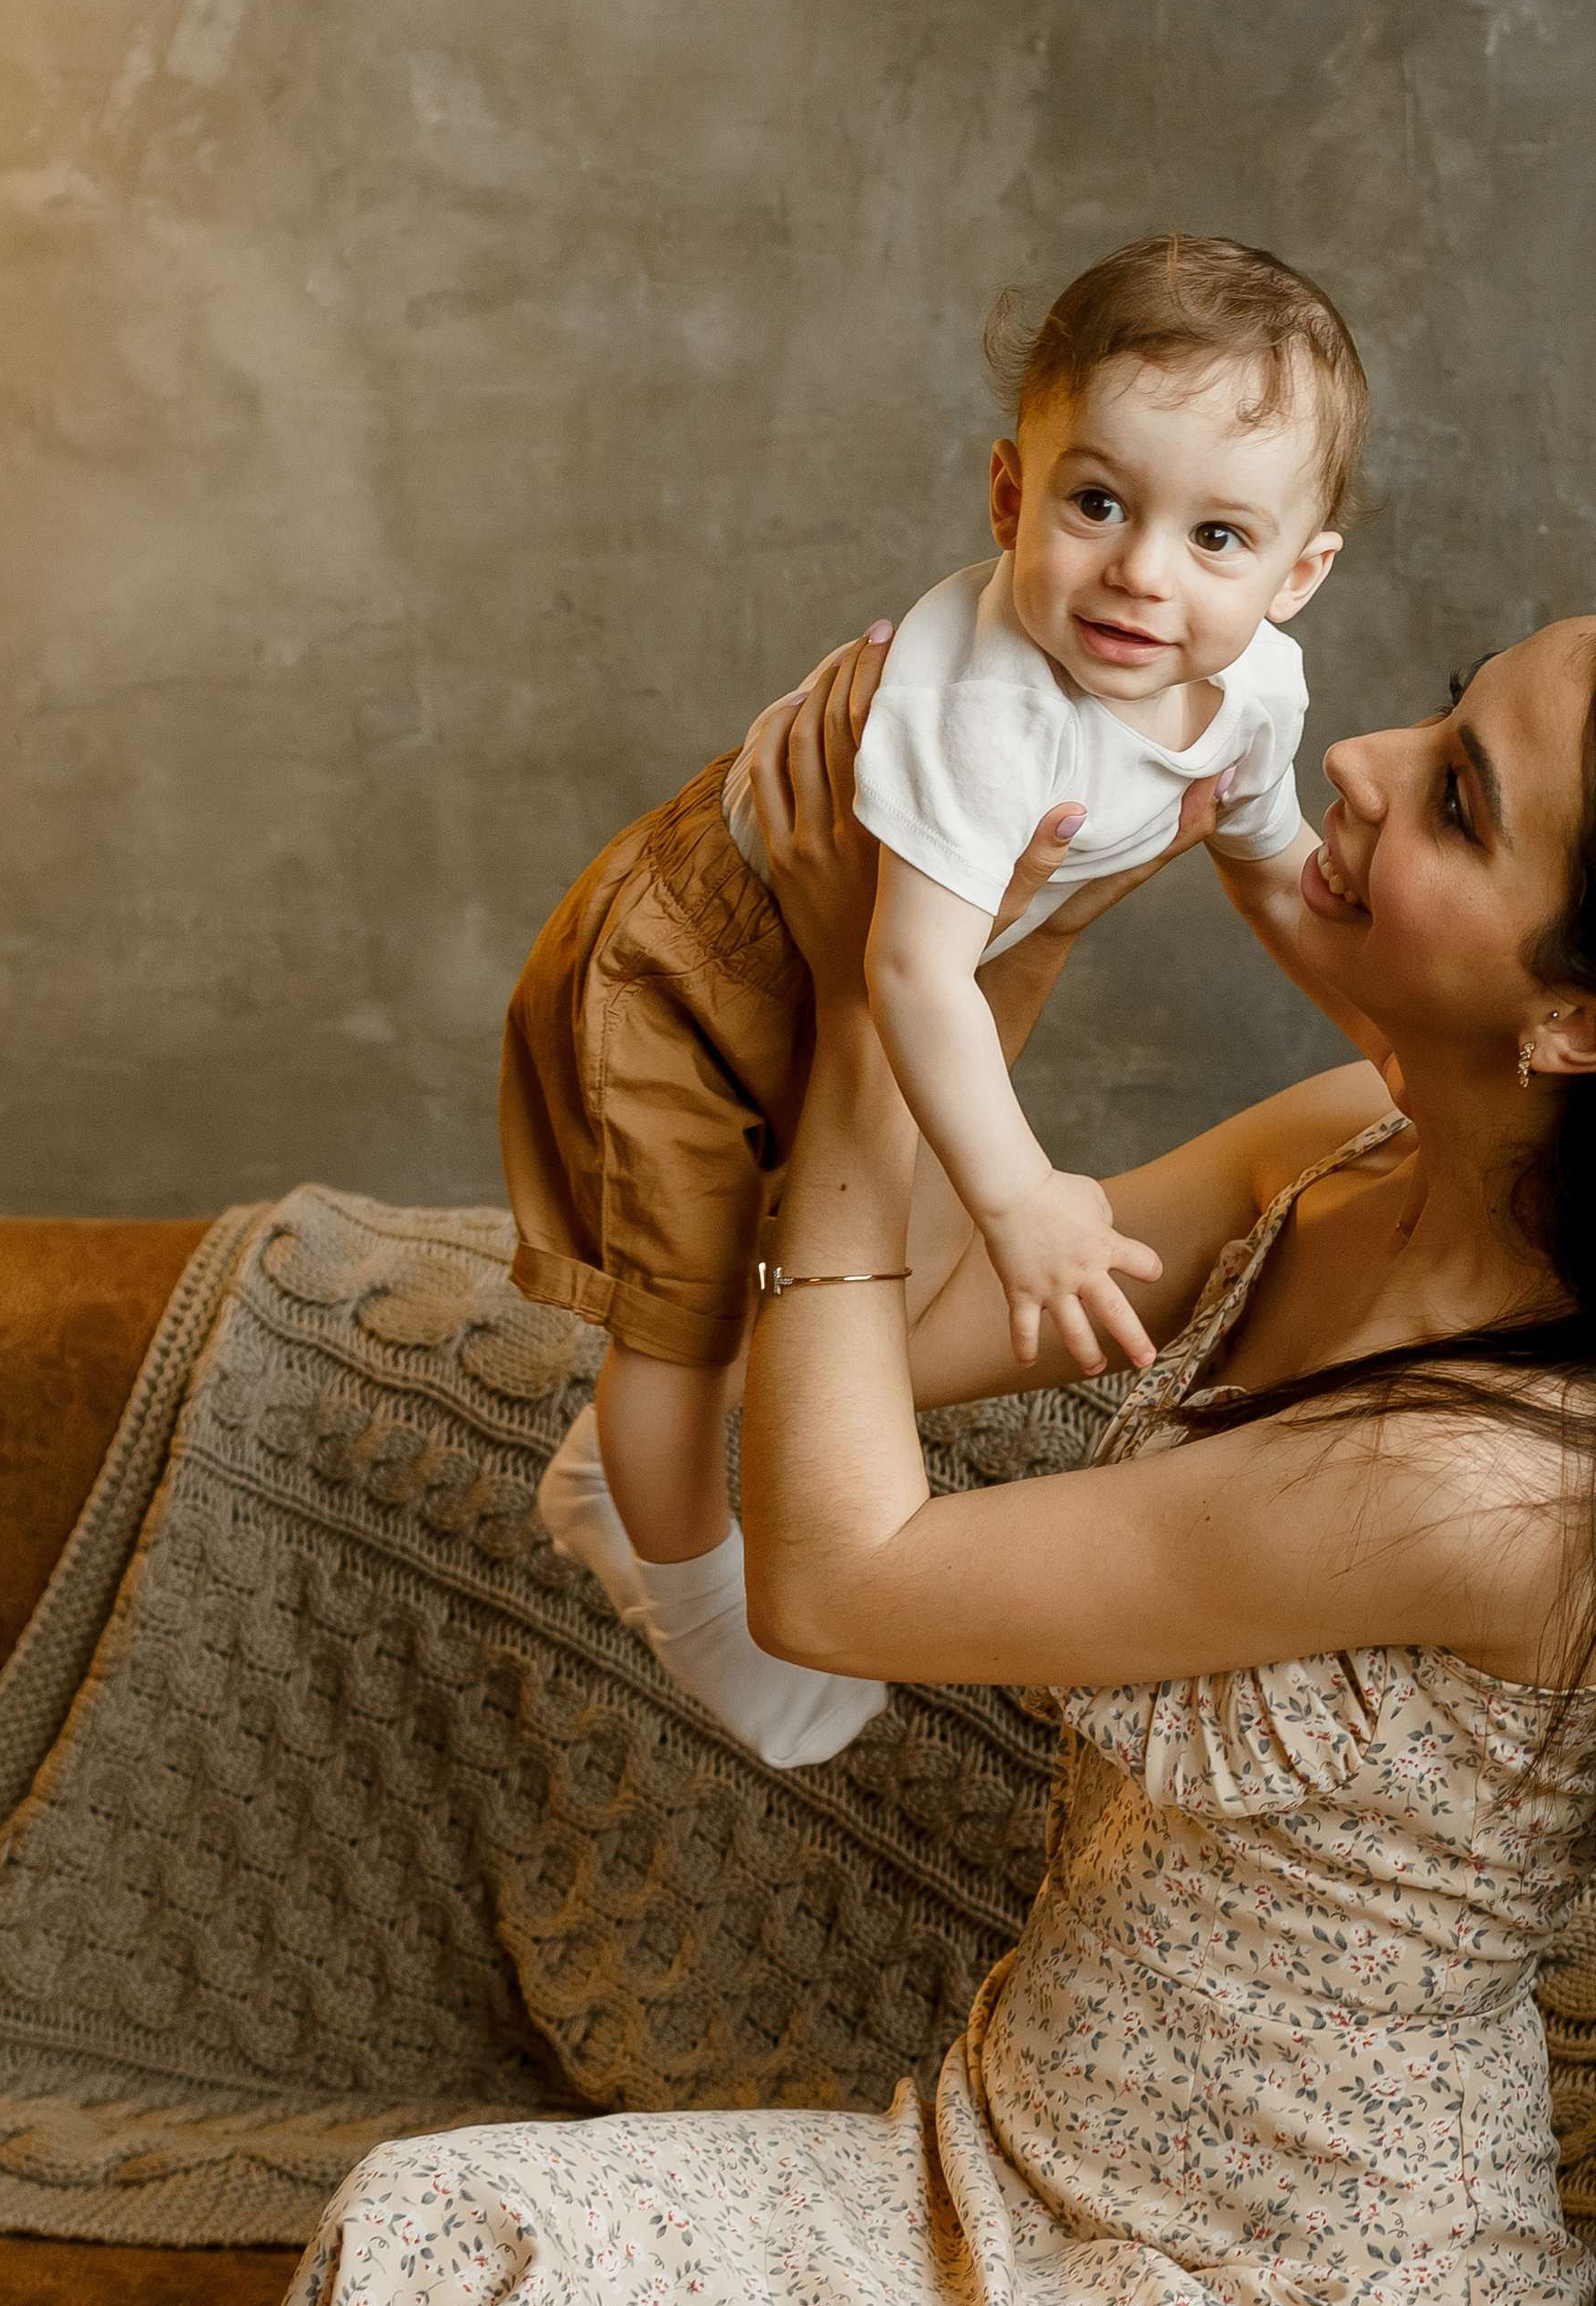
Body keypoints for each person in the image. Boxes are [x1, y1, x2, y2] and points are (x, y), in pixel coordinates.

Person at [59, 588, 1596, 2306]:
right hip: (1006, 2180)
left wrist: (900, 975)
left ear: (1588, 1027)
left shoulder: (1499, 1483)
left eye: (1456, 793)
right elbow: (858, 1352)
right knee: (426, 2237)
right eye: (1440, 704)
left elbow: (844, 1573)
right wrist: (971, 951)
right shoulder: (1342, 1146)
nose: (1350, 757)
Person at [502, 233, 1367, 1769]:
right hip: (688, 978)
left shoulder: (1254, 693)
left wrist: (1384, 1029)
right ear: (1009, 499)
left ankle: (620, 1471)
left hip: (887, 965)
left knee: (799, 1274)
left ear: (1296, 573)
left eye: (1217, 536)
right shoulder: (988, 712)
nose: (1142, 574)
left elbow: (1272, 862)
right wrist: (1021, 1194)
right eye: (1097, 504)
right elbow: (901, 969)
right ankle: (679, 1581)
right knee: (684, 1328)